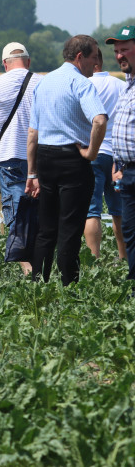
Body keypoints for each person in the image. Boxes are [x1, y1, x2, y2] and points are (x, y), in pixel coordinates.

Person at [25, 35, 107, 285]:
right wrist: (91, 153)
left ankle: (38, 281)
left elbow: (33, 133)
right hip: (73, 159)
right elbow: (100, 120)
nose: (96, 64)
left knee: (46, 229)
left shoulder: (44, 82)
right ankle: (69, 285)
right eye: (94, 57)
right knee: (70, 228)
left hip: (46, 157)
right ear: (80, 56)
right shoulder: (80, 83)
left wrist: (32, 173)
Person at [0, 42, 42, 273]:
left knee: (15, 211)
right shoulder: (42, 82)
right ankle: (39, 263)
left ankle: (27, 267)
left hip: (7, 157)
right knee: (39, 210)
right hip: (39, 157)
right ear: (28, 61)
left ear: (4, 64)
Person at [84, 48, 127, 259]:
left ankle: (94, 260)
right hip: (117, 154)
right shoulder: (120, 85)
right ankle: (124, 257)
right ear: (101, 61)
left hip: (92, 152)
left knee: (92, 210)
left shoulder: (84, 85)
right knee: (119, 211)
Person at [105, 26, 135, 294]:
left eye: (124, 49)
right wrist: (117, 162)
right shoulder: (127, 85)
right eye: (116, 51)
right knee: (129, 230)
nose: (119, 55)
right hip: (126, 171)